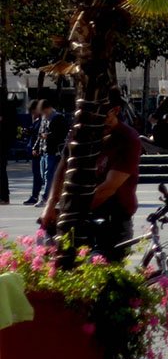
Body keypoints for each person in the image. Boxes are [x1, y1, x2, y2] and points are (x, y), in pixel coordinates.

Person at [40, 89, 141, 262]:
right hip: (79, 216)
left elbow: (109, 188)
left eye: (101, 114)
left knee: (102, 275)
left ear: (115, 111)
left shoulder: (127, 139)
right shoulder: (81, 131)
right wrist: (50, 205)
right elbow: (64, 166)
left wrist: (69, 212)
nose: (94, 120)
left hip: (113, 220)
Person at [25, 99, 67, 207]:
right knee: (44, 175)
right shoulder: (44, 118)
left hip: (53, 151)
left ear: (47, 109)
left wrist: (48, 135)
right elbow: (40, 134)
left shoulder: (58, 117)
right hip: (44, 150)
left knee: (49, 175)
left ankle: (45, 197)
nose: (43, 114)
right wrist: (36, 147)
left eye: (43, 111)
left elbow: (61, 134)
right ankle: (53, 195)